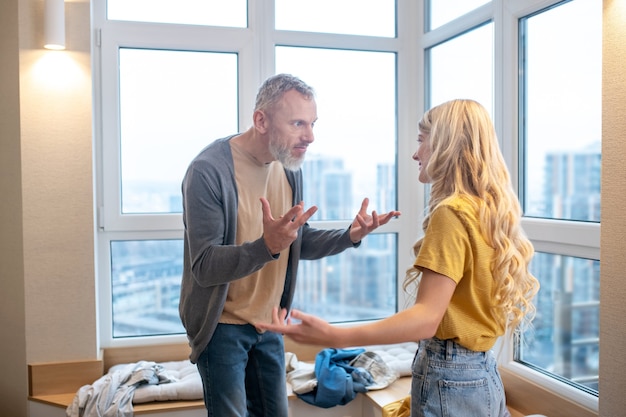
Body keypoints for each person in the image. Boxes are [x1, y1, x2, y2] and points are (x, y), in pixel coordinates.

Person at [259, 99, 540, 417]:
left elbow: (426, 318)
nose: (415, 153)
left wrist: (336, 335)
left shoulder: (451, 212)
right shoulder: (487, 211)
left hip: (450, 379)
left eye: (422, 141)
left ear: (446, 143)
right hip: (482, 378)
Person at [178, 73, 401, 417]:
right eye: (298, 123)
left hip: (269, 323)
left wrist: (350, 236)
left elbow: (297, 240)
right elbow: (205, 266)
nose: (309, 136)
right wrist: (266, 246)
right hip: (222, 325)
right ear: (261, 120)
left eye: (312, 124)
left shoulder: (289, 167)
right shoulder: (209, 171)